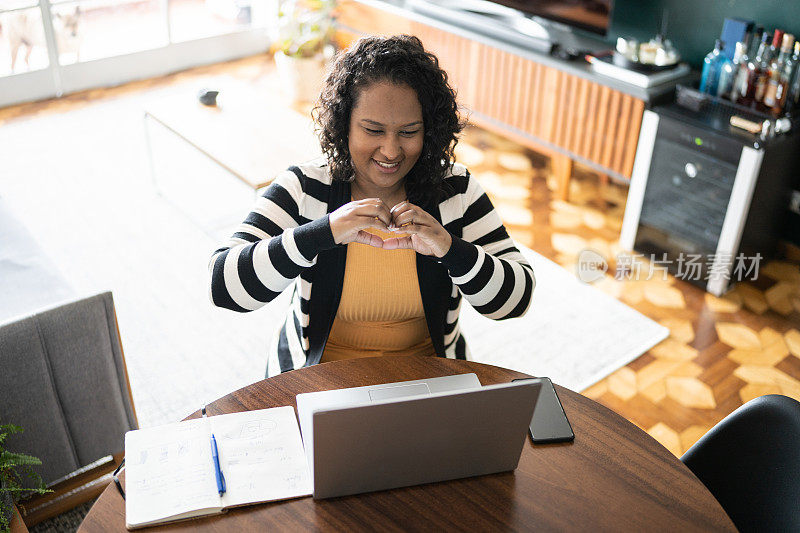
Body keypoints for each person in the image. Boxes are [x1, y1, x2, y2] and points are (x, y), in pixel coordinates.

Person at [209, 35, 535, 377]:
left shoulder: (456, 189)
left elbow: (516, 300)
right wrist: (323, 233)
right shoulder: (305, 187)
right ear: (344, 125)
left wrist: (449, 248)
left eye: (409, 132)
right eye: (373, 130)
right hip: (317, 377)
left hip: (431, 376)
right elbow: (223, 286)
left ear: (429, 131)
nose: (391, 151)